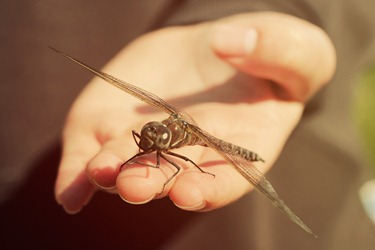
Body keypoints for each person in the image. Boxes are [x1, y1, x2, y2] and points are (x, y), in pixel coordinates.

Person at [1, 1, 375, 249]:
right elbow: (149, 141)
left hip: (282, 218)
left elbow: (181, 161)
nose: (150, 139)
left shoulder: (180, 143)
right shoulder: (153, 133)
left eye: (155, 137)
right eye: (150, 135)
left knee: (192, 170)